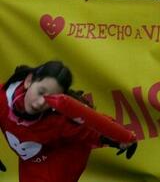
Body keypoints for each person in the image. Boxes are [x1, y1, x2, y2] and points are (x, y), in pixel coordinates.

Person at [0, 61, 137, 182]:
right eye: (41, 92)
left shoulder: (60, 120)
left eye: (50, 99)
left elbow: (93, 127)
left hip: (60, 158)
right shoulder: (3, 98)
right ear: (29, 81)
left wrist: (119, 138)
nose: (41, 103)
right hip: (33, 159)